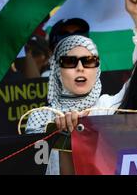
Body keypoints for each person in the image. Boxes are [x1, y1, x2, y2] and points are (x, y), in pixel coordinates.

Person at [25, 35, 102, 174]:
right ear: (57, 70)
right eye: (69, 61)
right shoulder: (40, 117)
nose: (80, 68)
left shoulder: (109, 107)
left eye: (89, 61)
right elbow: (38, 168)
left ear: (97, 68)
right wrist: (62, 137)